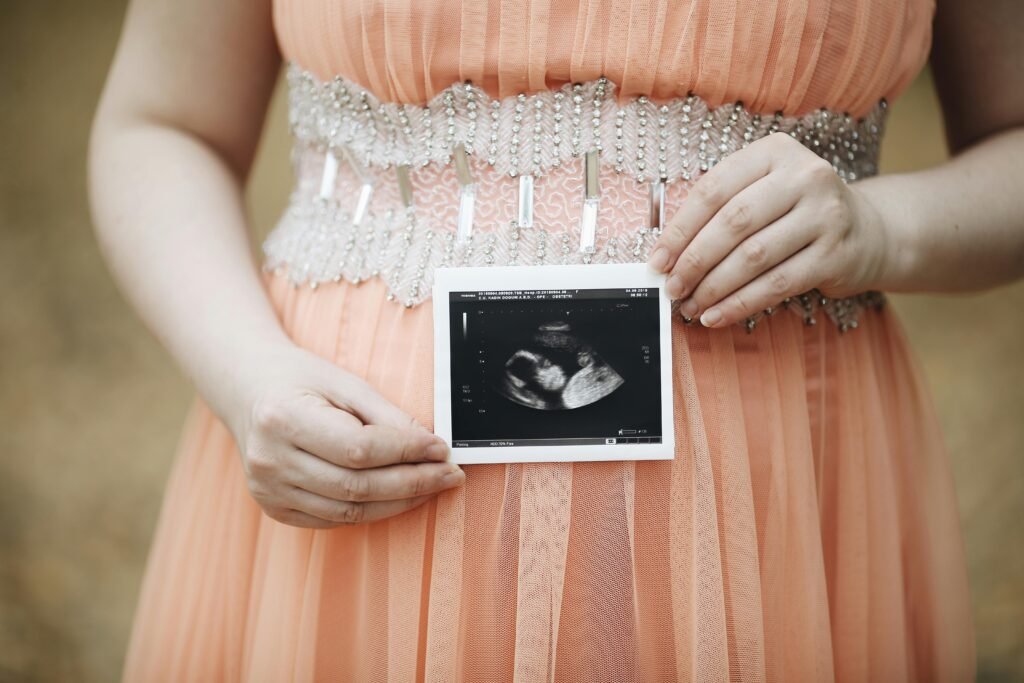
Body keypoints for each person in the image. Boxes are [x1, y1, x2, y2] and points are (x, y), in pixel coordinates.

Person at [88, 0, 1022, 680]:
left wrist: (883, 227)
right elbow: (163, 121)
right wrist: (244, 372)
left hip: (773, 503)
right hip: (356, 506)